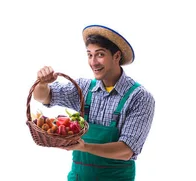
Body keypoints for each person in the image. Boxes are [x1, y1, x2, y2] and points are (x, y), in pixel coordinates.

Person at [33, 25, 155, 181]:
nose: (93, 62)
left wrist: (84, 147)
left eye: (100, 54)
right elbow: (43, 97)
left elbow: (127, 150)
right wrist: (42, 83)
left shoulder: (139, 97)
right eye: (89, 55)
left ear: (117, 56)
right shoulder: (83, 88)